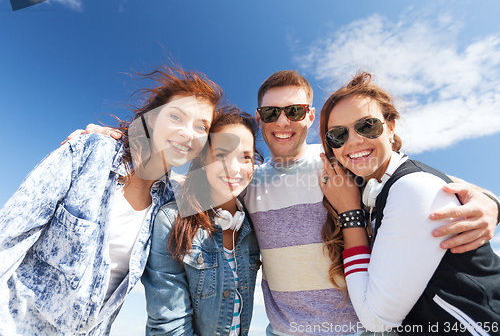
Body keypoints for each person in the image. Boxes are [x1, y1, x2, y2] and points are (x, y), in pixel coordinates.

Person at [68, 70, 500, 336]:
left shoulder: (342, 162)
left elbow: (417, 181)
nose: (282, 122)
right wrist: (120, 140)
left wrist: (490, 202)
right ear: (260, 119)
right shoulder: (247, 179)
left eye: (294, 112)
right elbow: (168, 179)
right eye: (271, 114)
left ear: (311, 116)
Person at [0, 66, 223, 335]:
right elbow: (8, 237)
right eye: (176, 116)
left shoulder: (171, 202)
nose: (189, 133)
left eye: (201, 126)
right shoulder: (89, 153)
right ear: (151, 119)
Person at [319, 71, 500, 335]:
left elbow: (376, 320)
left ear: (390, 127)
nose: (354, 141)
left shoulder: (411, 187)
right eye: (338, 135)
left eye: (367, 126)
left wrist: (350, 214)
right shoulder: (383, 187)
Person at [142, 106, 262, 336]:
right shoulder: (171, 221)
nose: (234, 168)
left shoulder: (252, 224)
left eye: (245, 157)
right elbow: (169, 328)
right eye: (222, 156)